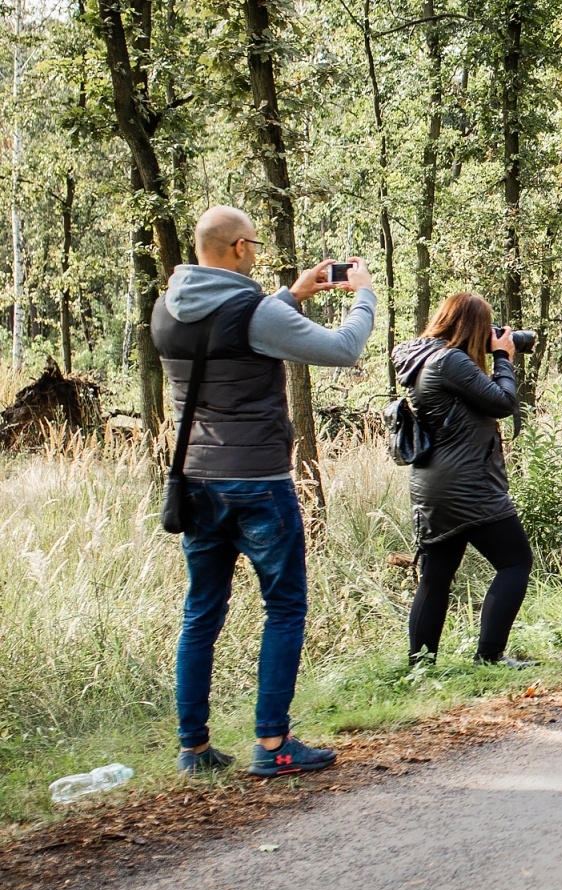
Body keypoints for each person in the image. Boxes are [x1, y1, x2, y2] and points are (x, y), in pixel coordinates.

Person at [151, 205, 375, 777]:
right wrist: (363, 296)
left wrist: (290, 295)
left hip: (196, 479)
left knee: (201, 610)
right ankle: (272, 744)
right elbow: (343, 349)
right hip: (257, 482)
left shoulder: (166, 308)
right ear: (238, 250)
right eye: (252, 243)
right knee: (284, 606)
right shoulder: (251, 310)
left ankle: (193, 749)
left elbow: (228, 333)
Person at [395, 294, 534, 670]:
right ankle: (489, 655)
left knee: (436, 578)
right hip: (468, 484)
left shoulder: (422, 359)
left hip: (433, 484)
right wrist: (503, 356)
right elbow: (504, 403)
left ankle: (421, 668)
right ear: (472, 326)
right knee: (515, 561)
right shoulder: (450, 361)